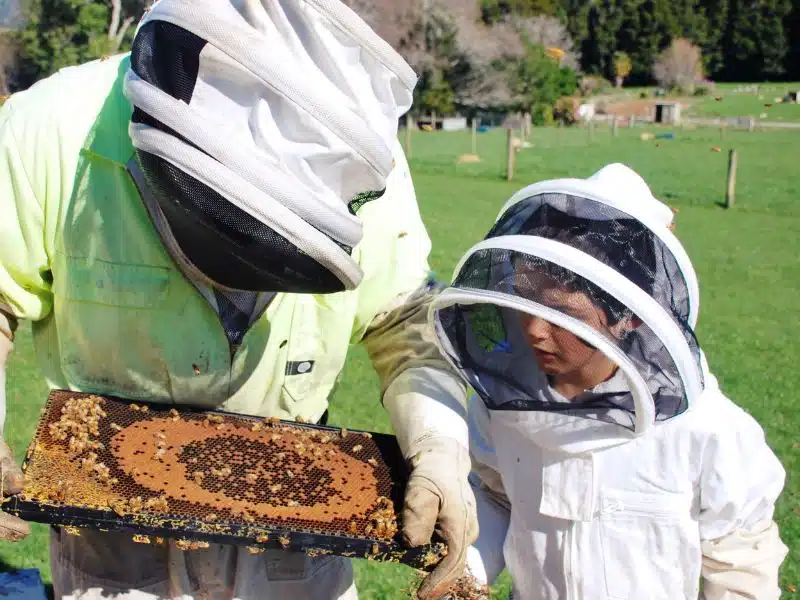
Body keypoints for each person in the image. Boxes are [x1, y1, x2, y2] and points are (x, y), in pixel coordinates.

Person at [0, 1, 478, 598]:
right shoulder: (47, 130)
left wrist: (438, 446)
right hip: (116, 548)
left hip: (295, 546)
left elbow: (404, 318)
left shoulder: (355, 161)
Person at [425, 164, 788, 599]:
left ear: (630, 315)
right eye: (525, 304)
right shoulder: (500, 404)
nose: (535, 331)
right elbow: (498, 497)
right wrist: (463, 574)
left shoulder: (708, 431)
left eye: (564, 316)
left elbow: (739, 562)